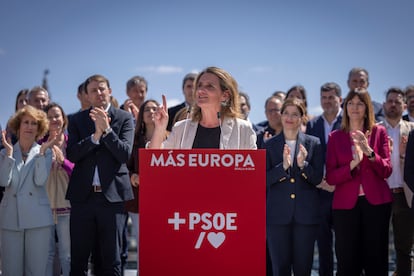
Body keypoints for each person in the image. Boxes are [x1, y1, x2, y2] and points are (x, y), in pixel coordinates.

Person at [66, 74, 135, 275]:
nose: (99, 93)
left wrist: (106, 131)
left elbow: (124, 154)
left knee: (111, 259)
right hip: (83, 199)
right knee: (78, 258)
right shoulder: (77, 120)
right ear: (87, 95)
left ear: (110, 91)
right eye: (93, 90)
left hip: (112, 199)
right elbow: (72, 154)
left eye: (102, 88)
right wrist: (95, 137)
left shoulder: (124, 118)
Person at [326, 88, 392, 275]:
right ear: (345, 107)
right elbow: (331, 177)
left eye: (360, 103)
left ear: (367, 107)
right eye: (351, 103)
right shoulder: (335, 137)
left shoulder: (379, 132)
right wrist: (353, 164)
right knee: (347, 262)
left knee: (376, 260)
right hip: (346, 207)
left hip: (377, 205)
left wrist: (369, 153)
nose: (355, 107)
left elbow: (386, 170)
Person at [265, 98, 324, 276]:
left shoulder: (314, 143)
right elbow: (263, 180)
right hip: (277, 217)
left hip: (306, 217)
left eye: (295, 114)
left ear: (302, 117)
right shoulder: (268, 145)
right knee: (280, 269)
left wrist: (303, 164)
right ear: (281, 116)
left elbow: (317, 179)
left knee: (303, 269)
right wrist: (282, 168)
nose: (289, 118)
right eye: (286, 113)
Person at [0, 105, 56, 275]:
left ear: (39, 129)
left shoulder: (45, 152)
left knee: (36, 272)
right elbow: (4, 181)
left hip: (38, 220)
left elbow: (40, 181)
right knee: (11, 271)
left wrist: (41, 153)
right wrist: (9, 154)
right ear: (18, 126)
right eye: (26, 122)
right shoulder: (4, 153)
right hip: (10, 219)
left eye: (34, 124)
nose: (30, 127)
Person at [148, 66, 257, 150]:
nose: (200, 90)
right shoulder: (181, 128)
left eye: (209, 86)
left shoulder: (243, 129)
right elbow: (156, 161)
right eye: (199, 85)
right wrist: (160, 128)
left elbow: (252, 172)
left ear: (225, 95)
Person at [306, 82, 342, 276]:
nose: (327, 102)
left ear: (340, 100)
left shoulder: (347, 122)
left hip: (343, 190)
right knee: (323, 242)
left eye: (331, 98)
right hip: (320, 192)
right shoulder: (313, 124)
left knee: (346, 242)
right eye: (324, 98)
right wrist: (321, 182)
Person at [126, 99, 166, 275]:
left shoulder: (171, 136)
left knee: (164, 244)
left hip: (164, 201)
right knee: (143, 244)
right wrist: (132, 176)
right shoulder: (132, 140)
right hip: (139, 201)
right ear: (141, 115)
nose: (151, 111)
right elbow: (122, 166)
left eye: (154, 108)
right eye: (147, 109)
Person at [378, 87, 414, 276]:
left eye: (397, 102)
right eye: (390, 101)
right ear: (384, 105)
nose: (393, 105)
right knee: (377, 246)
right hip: (380, 194)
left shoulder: (412, 130)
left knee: (404, 248)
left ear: (404, 106)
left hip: (404, 195)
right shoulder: (375, 129)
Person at [42, 103, 74, 276]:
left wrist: (63, 162)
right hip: (44, 206)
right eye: (50, 117)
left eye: (57, 116)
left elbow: (78, 172)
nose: (54, 120)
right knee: (46, 255)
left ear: (63, 119)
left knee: (67, 255)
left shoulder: (71, 143)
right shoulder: (39, 144)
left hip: (66, 206)